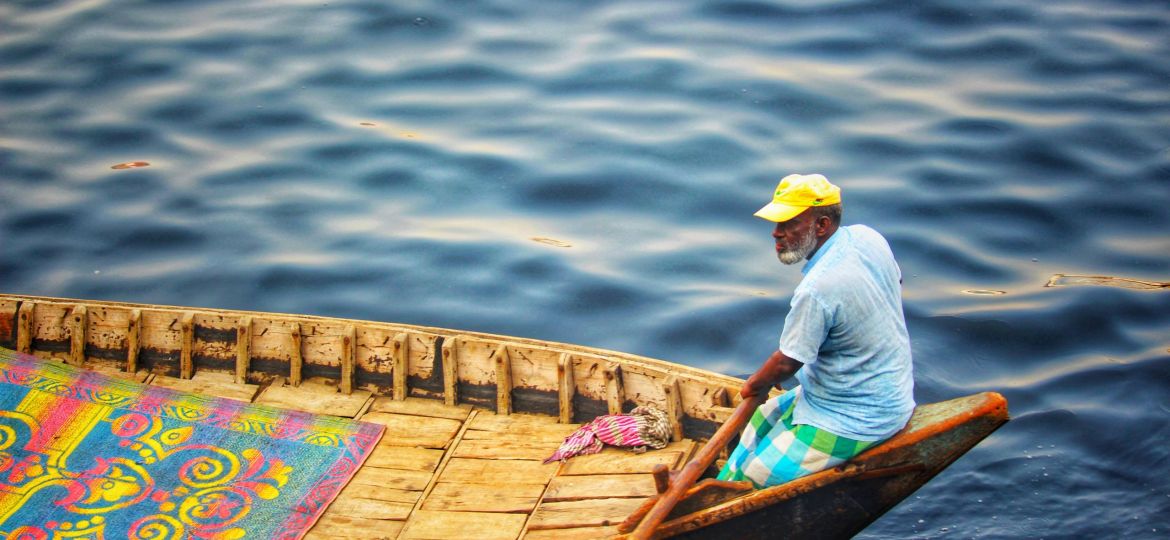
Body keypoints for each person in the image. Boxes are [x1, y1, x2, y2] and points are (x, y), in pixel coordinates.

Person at [717, 173, 915, 488]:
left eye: (787, 224)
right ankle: (724, 480)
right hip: (865, 390)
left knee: (757, 473)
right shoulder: (868, 237)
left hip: (858, 416)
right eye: (776, 224)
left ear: (821, 225)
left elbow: (787, 363)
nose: (776, 233)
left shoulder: (817, 289)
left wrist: (754, 384)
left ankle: (734, 494)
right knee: (760, 418)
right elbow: (896, 281)